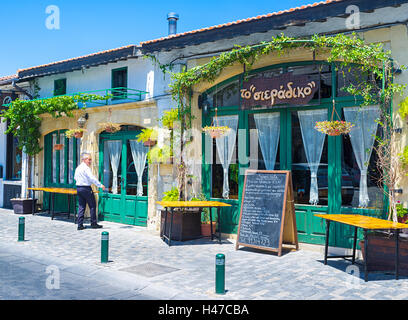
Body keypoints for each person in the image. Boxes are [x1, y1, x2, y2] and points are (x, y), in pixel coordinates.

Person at [74, 152, 106, 230]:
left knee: (81, 206)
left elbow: (75, 177)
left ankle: (80, 225)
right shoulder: (86, 168)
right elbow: (92, 178)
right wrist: (100, 185)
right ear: (84, 160)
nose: (90, 161)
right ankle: (93, 223)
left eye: (90, 159)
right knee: (92, 205)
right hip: (86, 188)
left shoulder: (78, 168)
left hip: (79, 188)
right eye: (89, 159)